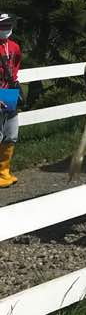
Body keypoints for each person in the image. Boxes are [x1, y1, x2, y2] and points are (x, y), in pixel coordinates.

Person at [0, 11, 21, 188]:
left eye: (8, 25)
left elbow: (15, 68)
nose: (6, 29)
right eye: (2, 26)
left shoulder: (14, 47)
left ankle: (4, 171)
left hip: (9, 94)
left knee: (11, 133)